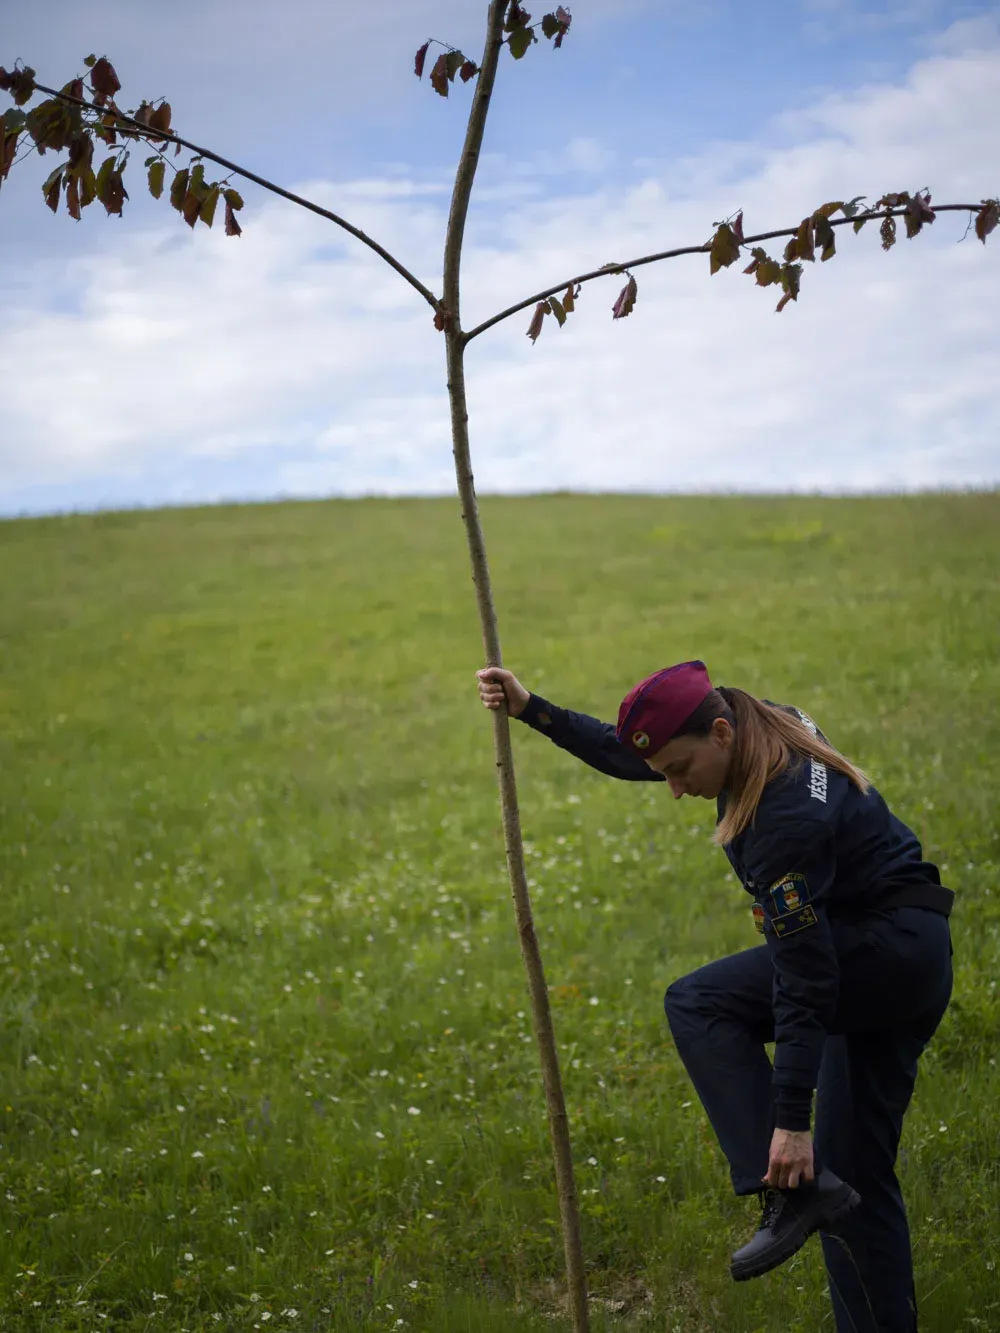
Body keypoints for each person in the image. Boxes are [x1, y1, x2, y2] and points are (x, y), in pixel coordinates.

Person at [476, 659, 954, 1333]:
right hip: (907, 946)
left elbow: (806, 978)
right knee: (854, 1184)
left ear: (721, 733)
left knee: (699, 1003)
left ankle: (792, 1191)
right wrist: (535, 709)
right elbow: (635, 751)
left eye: (679, 770)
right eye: (665, 771)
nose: (673, 789)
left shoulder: (781, 818)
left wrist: (789, 1125)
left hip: (879, 958)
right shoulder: (758, 725)